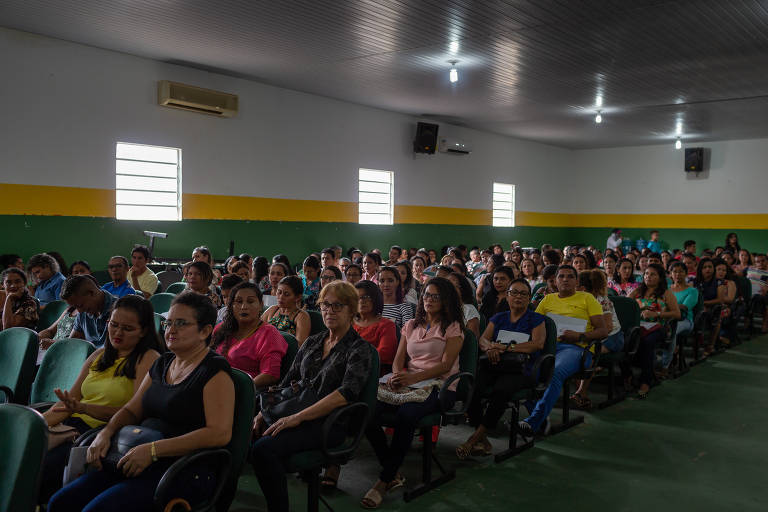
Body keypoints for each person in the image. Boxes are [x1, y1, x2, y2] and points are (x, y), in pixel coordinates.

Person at [48, 292, 235, 512]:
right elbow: (131, 410)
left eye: (181, 324)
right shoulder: (163, 364)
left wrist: (154, 450)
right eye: (168, 322)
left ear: (205, 331)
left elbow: (219, 433)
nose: (171, 329)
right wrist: (106, 434)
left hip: (182, 467)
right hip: (136, 456)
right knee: (60, 503)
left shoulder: (214, 370)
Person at [251, 281, 372, 512]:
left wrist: (298, 417)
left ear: (352, 309)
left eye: (338, 305)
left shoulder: (359, 349)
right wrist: (262, 411)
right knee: (247, 435)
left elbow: (345, 394)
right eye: (325, 305)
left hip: (329, 422)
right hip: (296, 409)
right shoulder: (313, 342)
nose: (329, 311)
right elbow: (286, 383)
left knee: (263, 448)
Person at [38, 295, 162, 503]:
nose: (118, 332)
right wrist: (35, 424)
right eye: (114, 325)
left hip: (99, 434)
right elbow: (68, 404)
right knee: (19, 451)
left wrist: (85, 408)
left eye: (127, 328)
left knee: (41, 468)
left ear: (144, 331)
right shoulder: (98, 355)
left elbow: (134, 412)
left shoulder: (148, 358)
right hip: (71, 426)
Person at [362, 277, 463, 508]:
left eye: (436, 296)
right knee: (368, 411)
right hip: (409, 381)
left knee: (406, 415)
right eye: (427, 295)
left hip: (441, 385)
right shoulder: (411, 325)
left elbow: (446, 365)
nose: (429, 300)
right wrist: (397, 376)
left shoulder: (453, 326)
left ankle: (384, 481)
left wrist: (413, 378)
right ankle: (393, 468)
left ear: (446, 299)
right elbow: (399, 360)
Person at [459, 278, 545, 458]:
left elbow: (536, 344)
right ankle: (482, 438)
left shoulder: (536, 319)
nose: (518, 297)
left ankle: (473, 440)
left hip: (521, 369)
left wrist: (506, 348)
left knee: (501, 391)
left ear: (529, 298)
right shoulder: (499, 318)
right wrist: (490, 347)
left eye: (523, 294)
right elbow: (482, 339)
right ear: (507, 296)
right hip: (495, 364)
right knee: (472, 387)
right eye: (514, 293)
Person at [518, 265, 608, 435]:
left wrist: (579, 336)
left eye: (570, 276)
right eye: (561, 276)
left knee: (555, 371)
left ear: (576, 281)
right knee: (522, 370)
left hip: (576, 349)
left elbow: (602, 331)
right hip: (548, 347)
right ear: (555, 281)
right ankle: (541, 419)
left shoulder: (587, 298)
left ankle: (533, 422)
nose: (565, 279)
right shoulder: (547, 299)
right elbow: (533, 325)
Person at [212, 282, 287, 388]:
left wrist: (242, 389)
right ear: (231, 305)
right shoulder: (222, 328)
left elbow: (270, 375)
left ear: (261, 305)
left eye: (250, 301)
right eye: (238, 301)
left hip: (244, 394)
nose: (244, 306)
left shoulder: (269, 334)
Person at [570, 270, 624, 408]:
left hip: (612, 338)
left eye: (575, 285)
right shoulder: (578, 299)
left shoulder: (602, 300)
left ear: (582, 288)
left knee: (592, 352)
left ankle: (581, 392)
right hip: (592, 336)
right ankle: (581, 392)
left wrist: (587, 337)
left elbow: (608, 328)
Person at [627, 264, 680, 397]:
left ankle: (646, 381)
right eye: (646, 274)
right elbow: (625, 304)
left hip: (658, 327)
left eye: (652, 274)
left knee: (646, 342)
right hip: (639, 326)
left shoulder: (666, 294)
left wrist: (657, 314)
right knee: (625, 339)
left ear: (660, 278)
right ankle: (627, 375)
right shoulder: (638, 291)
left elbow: (677, 314)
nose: (648, 277)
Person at [353, 280, 398, 371]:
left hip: (373, 372)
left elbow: (384, 354)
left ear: (375, 298)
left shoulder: (386, 325)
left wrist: (353, 359)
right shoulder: (348, 323)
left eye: (366, 297)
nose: (362, 301)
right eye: (358, 298)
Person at [62, 275, 118, 347]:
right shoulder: (82, 312)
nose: (80, 311)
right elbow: (72, 344)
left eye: (80, 305)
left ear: (91, 293)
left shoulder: (119, 311)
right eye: (75, 307)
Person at [667, 261, 698, 376]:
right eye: (675, 271)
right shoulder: (667, 289)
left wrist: (666, 306)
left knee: (672, 330)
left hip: (684, 320)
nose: (678, 274)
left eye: (681, 271)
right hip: (667, 318)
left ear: (686, 273)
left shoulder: (692, 291)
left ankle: (667, 364)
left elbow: (684, 307)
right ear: (670, 274)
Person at [261, 275, 311, 344]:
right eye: (279, 292)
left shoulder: (301, 317)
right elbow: (257, 331)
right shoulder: (273, 310)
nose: (281, 297)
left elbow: (299, 346)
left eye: (286, 294)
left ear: (298, 297)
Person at [447, 272, 480, 339]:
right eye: (447, 286)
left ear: (462, 290)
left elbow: (472, 340)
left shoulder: (469, 310)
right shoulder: (439, 308)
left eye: (453, 286)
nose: (449, 290)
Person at [746, 253, 768, 333]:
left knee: (760, 297)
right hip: (748, 291)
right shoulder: (750, 269)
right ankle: (749, 320)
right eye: (758, 261)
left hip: (762, 292)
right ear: (755, 262)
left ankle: (764, 324)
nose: (760, 263)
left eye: (763, 261)